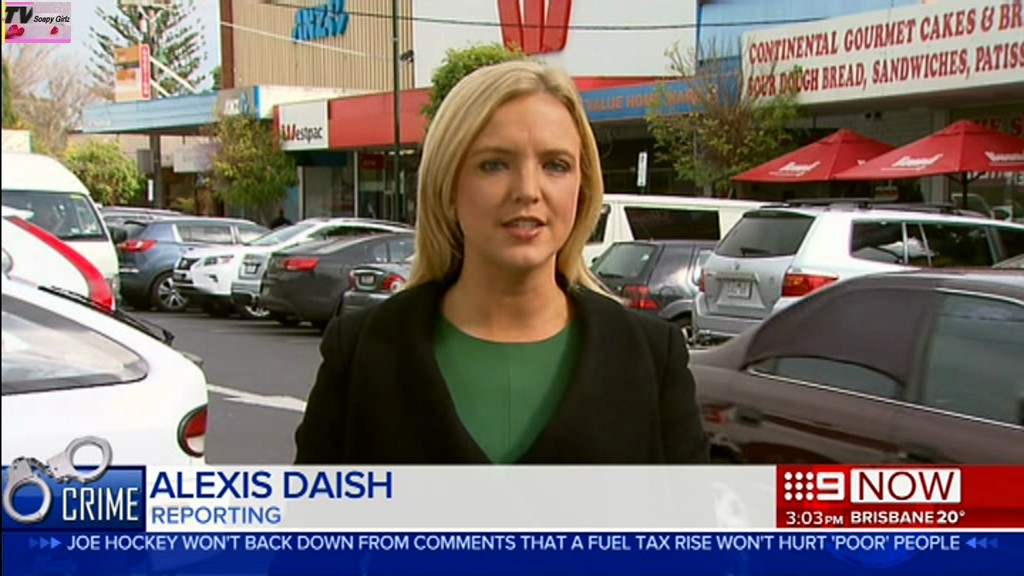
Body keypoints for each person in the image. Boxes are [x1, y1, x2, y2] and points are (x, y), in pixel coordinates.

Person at [294, 60, 709, 464]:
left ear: (581, 189)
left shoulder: (653, 359)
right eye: (494, 164)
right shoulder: (360, 353)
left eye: (555, 165)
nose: (528, 190)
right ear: (448, 186)